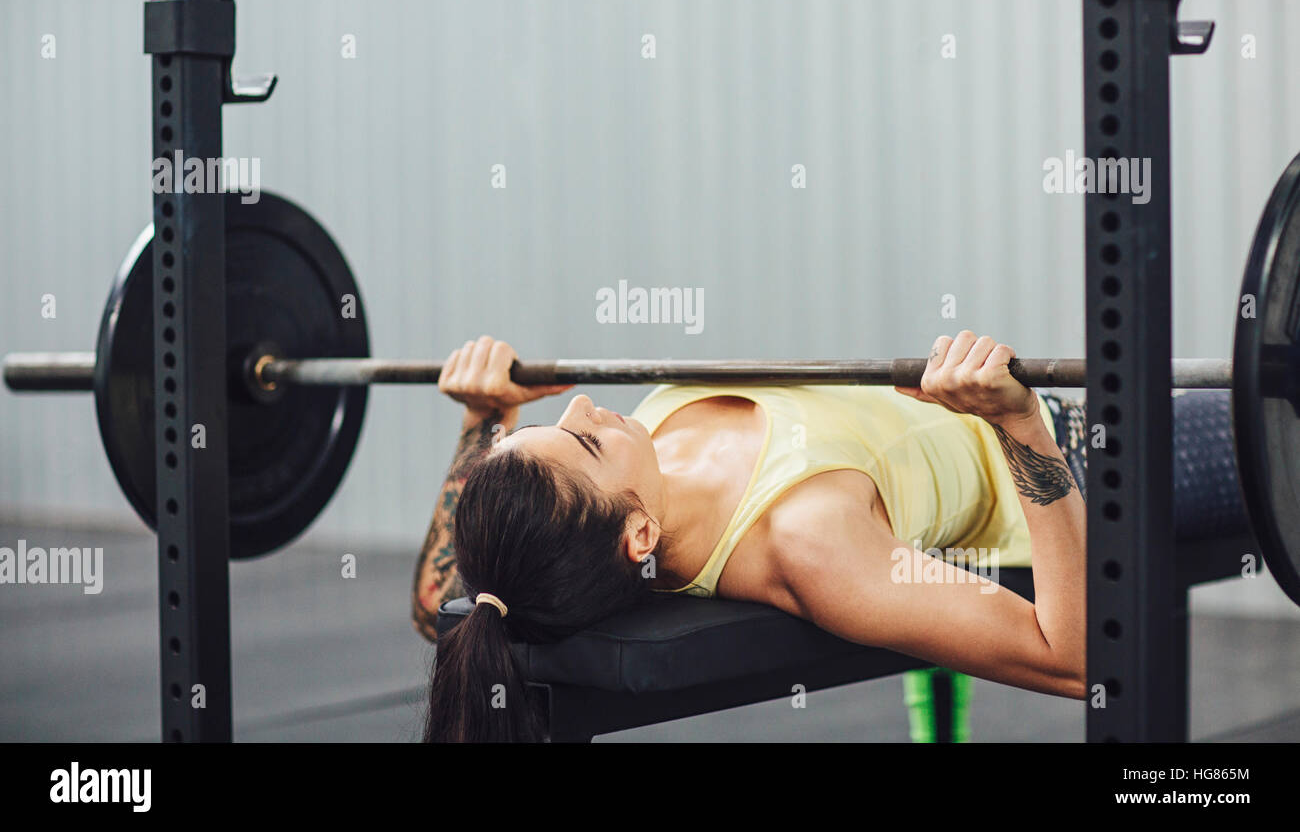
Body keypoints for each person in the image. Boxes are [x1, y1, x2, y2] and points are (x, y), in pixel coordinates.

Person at [412, 332, 1245, 742]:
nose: (587, 406)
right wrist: (1020, 422)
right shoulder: (806, 546)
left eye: (567, 422)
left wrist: (490, 417)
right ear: (640, 535)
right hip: (1104, 469)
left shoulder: (634, 478)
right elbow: (1080, 658)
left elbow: (444, 602)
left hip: (1076, 403)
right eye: (586, 441)